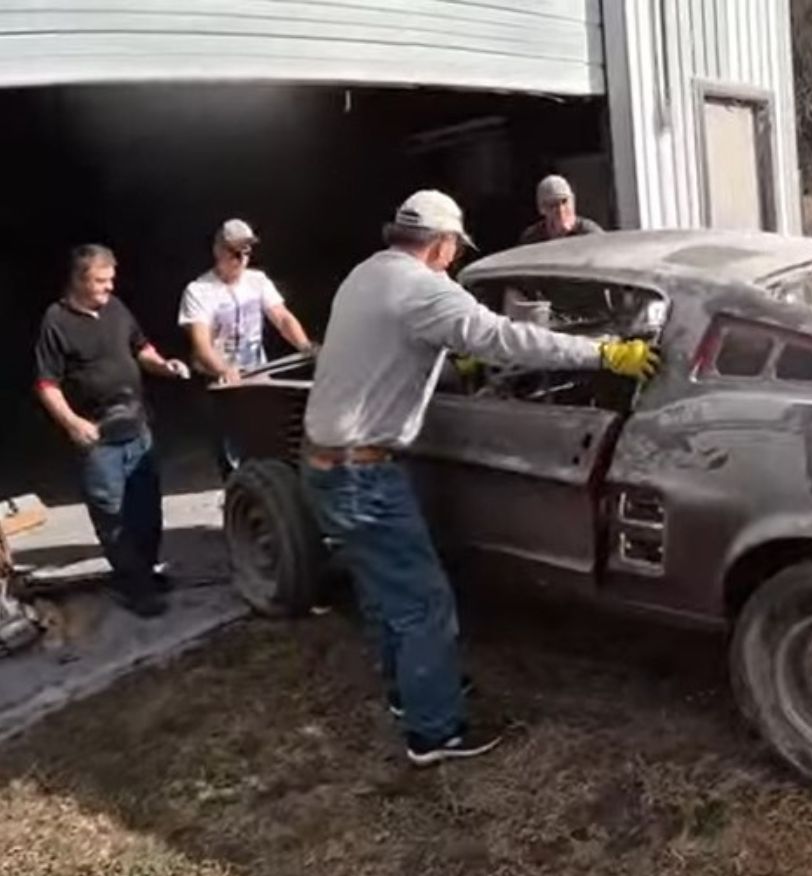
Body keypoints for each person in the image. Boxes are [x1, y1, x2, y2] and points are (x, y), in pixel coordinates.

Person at [302, 189, 657, 767]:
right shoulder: (424, 288)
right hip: (361, 473)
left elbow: (402, 340)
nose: (454, 258)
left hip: (324, 462)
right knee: (424, 601)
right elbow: (507, 337)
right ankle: (435, 732)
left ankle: (411, 697)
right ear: (441, 243)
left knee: (384, 592)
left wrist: (450, 357)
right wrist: (606, 354)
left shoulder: (367, 274)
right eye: (454, 248)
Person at [34, 245, 192, 617]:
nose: (109, 288)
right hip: (98, 437)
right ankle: (132, 586)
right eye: (101, 281)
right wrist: (74, 423)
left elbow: (141, 346)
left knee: (147, 508)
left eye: (111, 280)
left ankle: (147, 573)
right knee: (113, 516)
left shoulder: (116, 308)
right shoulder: (55, 321)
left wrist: (164, 365)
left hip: (137, 425)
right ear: (79, 280)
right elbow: (46, 384)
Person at [179, 219, 316, 478]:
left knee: (267, 441)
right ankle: (238, 497)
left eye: (247, 251)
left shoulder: (257, 280)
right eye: (235, 252)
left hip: (256, 372)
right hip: (219, 380)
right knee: (232, 451)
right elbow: (201, 344)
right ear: (218, 250)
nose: (241, 258)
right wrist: (224, 369)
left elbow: (282, 317)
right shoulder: (199, 291)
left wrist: (305, 346)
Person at [518, 175, 605, 246]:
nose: (561, 210)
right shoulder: (532, 239)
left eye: (564, 201)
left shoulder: (589, 233)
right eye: (553, 205)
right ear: (542, 209)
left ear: (573, 201)